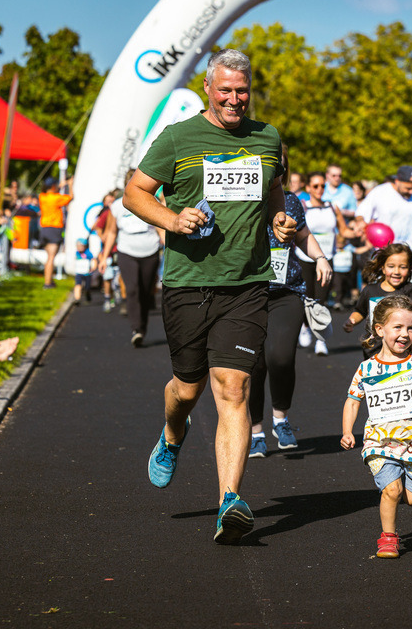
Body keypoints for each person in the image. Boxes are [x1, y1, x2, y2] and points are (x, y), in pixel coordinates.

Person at [123, 48, 296, 545]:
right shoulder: (178, 139)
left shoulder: (267, 138)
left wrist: (280, 218)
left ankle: (230, 500)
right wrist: (173, 220)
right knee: (187, 389)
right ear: (208, 89)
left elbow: (274, 191)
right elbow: (135, 192)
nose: (235, 99)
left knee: (234, 389)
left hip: (246, 284)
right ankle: (172, 434)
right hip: (187, 284)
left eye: (242, 91)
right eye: (226, 90)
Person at [340, 295, 412, 559]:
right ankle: (388, 538)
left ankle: (409, 486)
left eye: (411, 328)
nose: (405, 334)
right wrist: (347, 431)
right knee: (391, 490)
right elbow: (352, 401)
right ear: (379, 329)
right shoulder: (366, 369)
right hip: (378, 442)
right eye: (397, 327)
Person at [248, 154, 331, 458]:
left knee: (280, 357)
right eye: (269, 163)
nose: (275, 170)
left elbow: (304, 236)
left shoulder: (292, 200)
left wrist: (320, 258)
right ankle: (255, 430)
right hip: (247, 293)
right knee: (254, 365)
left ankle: (280, 419)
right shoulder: (241, 199)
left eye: (279, 164)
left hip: (287, 290)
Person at [98, 170, 164, 347]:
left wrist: (168, 245)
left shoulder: (153, 202)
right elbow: (111, 232)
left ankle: (142, 325)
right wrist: (104, 257)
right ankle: (137, 329)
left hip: (150, 251)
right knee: (132, 288)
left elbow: (161, 227)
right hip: (127, 251)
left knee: (144, 291)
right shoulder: (118, 206)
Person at [295, 170, 356, 355]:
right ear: (308, 188)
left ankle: (320, 340)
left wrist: (361, 232)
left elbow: (344, 231)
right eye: (315, 186)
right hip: (305, 258)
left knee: (321, 300)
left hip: (327, 259)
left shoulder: (332, 207)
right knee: (307, 298)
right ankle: (305, 326)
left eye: (322, 185)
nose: (320, 189)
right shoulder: (302, 206)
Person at [343, 242, 412, 357]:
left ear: (409, 269)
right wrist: (351, 321)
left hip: (401, 350)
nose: (396, 272)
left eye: (403, 267)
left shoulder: (409, 290)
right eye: (391, 266)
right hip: (373, 351)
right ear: (383, 268)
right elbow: (360, 311)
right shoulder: (370, 290)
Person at [355, 165, 412, 268]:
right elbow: (361, 213)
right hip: (384, 256)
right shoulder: (380, 192)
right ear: (397, 181)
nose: (411, 192)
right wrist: (360, 221)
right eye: (408, 188)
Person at [38, 175, 74, 288]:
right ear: (53, 186)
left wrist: (59, 185)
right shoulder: (56, 198)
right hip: (54, 228)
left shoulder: (42, 197)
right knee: (51, 258)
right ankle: (48, 283)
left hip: (45, 229)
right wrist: (70, 184)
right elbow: (70, 197)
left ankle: (48, 280)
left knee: (49, 257)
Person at [73, 238, 95, 305]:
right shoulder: (77, 253)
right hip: (79, 273)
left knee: (87, 287)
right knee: (78, 285)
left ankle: (88, 295)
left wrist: (93, 268)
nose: (79, 248)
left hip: (87, 273)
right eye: (78, 246)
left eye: (81, 246)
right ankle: (77, 299)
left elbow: (93, 260)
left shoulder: (88, 253)